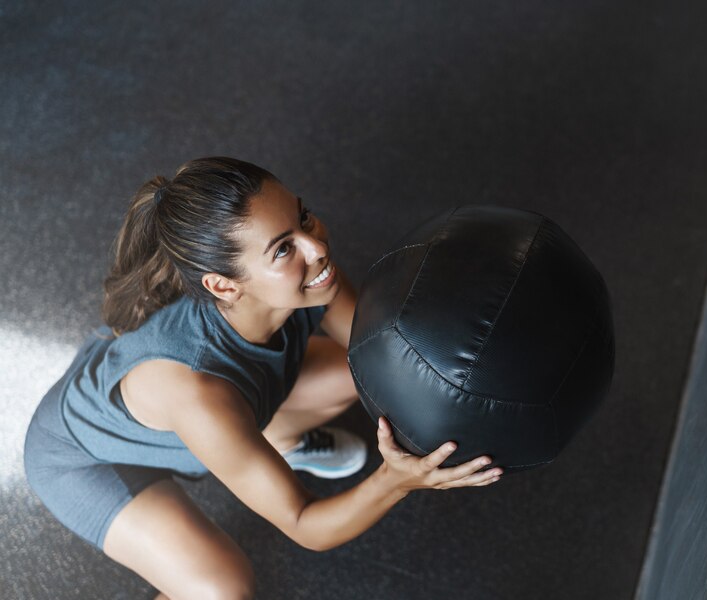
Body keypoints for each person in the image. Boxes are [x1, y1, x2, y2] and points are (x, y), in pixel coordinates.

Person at [23, 157, 503, 599]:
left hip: (222, 413)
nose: (316, 247)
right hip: (85, 461)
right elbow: (305, 523)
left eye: (304, 216)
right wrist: (396, 480)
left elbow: (385, 351)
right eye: (283, 249)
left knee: (366, 369)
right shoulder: (198, 392)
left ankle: (282, 443)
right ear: (224, 285)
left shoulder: (308, 279)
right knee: (226, 590)